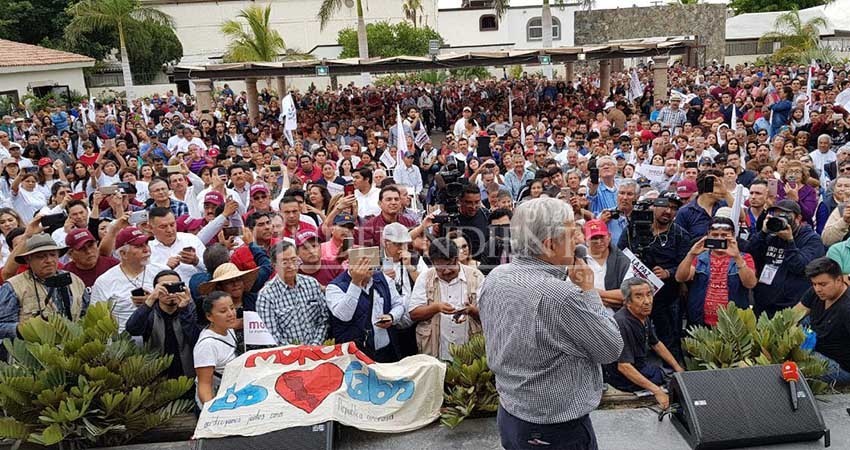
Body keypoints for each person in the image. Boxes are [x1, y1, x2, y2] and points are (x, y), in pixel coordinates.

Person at [479, 197, 622, 450]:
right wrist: (588, 290)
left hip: (511, 413)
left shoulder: (495, 277)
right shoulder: (560, 296)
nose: (579, 239)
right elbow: (610, 349)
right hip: (556, 430)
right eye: (571, 234)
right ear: (548, 245)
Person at [619, 192, 691, 357]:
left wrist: (668, 272)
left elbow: (686, 264)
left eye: (673, 208)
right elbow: (619, 252)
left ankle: (673, 372)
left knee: (669, 338)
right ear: (654, 206)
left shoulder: (680, 234)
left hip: (667, 297)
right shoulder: (634, 229)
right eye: (664, 206)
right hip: (636, 296)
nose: (668, 211)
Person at [604, 278, 684, 407]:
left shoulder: (642, 315)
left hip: (640, 365)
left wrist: (678, 367)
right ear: (627, 302)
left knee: (670, 375)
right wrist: (657, 391)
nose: (647, 301)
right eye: (639, 296)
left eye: (649, 294)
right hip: (622, 377)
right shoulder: (623, 323)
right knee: (665, 380)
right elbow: (624, 366)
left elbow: (656, 344)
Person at [407, 237, 485, 360]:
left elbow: (489, 316)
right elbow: (413, 314)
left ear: (456, 259)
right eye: (441, 268)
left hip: (471, 356)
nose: (447, 271)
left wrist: (471, 310)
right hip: (435, 354)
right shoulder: (425, 278)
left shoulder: (476, 277)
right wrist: (436, 307)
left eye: (450, 265)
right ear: (433, 263)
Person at [0, 233, 89, 339]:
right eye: (41, 257)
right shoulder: (13, 287)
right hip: (33, 352)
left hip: (72, 349)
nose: (49, 260)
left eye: (53, 255)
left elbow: (85, 315)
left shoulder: (75, 281)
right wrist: (23, 329)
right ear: (28, 260)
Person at [746, 200, 825, 316]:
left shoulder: (811, 240)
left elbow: (800, 267)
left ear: (798, 218)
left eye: (785, 216)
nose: (780, 219)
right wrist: (763, 233)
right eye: (777, 215)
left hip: (791, 307)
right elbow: (750, 255)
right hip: (763, 304)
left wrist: (789, 242)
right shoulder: (770, 235)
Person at [326, 249, 405, 363]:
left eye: (370, 264)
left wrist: (392, 317)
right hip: (354, 356)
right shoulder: (335, 287)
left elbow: (399, 304)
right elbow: (344, 316)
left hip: (385, 352)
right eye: (361, 264)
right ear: (350, 264)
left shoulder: (383, 279)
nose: (367, 268)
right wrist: (355, 283)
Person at [676, 217, 757, 327]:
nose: (719, 238)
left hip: (733, 325)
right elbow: (680, 278)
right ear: (708, 235)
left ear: (733, 236)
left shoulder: (744, 257)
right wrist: (691, 254)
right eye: (714, 235)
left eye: (724, 235)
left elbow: (750, 283)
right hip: (701, 322)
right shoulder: (699, 257)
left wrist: (737, 257)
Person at [125, 269, 199, 378]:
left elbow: (196, 339)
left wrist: (184, 310)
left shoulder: (190, 310)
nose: (170, 293)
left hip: (187, 376)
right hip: (156, 377)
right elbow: (132, 329)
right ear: (156, 290)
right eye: (165, 288)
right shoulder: (150, 312)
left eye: (175, 287)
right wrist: (150, 300)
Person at [256, 240, 328, 346]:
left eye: (294, 260)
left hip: (316, 350)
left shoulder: (311, 284)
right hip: (286, 356)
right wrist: (296, 353)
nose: (291, 266)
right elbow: (272, 335)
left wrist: (314, 345)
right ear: (274, 265)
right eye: (285, 262)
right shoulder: (266, 296)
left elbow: (323, 319)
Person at [91, 227, 161, 333]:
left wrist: (153, 302)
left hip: (159, 336)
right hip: (124, 342)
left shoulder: (161, 271)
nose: (146, 249)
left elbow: (179, 304)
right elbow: (96, 319)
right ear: (123, 254)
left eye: (146, 244)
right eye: (139, 246)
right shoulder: (105, 281)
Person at [796, 258, 850, 385]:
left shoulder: (847, 308)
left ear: (838, 280)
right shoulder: (817, 292)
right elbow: (793, 316)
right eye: (814, 284)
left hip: (840, 365)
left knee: (793, 368)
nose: (818, 289)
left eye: (823, 284)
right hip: (817, 345)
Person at [193, 291, 239, 409]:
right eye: (223, 311)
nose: (231, 314)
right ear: (209, 316)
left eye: (232, 308)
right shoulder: (207, 345)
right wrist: (211, 412)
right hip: (218, 401)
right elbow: (204, 384)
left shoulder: (229, 329)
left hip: (233, 394)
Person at [584, 219, 632, 311]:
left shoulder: (623, 261)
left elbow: (627, 295)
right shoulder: (577, 260)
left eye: (602, 237)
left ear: (609, 236)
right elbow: (573, 294)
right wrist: (612, 298)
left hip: (615, 320)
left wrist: (591, 293)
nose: (598, 241)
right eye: (594, 238)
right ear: (586, 240)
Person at [148, 207, 206, 282]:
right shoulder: (147, 250)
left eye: (172, 225)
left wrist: (196, 261)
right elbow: (145, 279)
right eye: (163, 227)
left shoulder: (191, 240)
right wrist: (165, 268)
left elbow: (211, 269)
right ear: (150, 228)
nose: (169, 230)